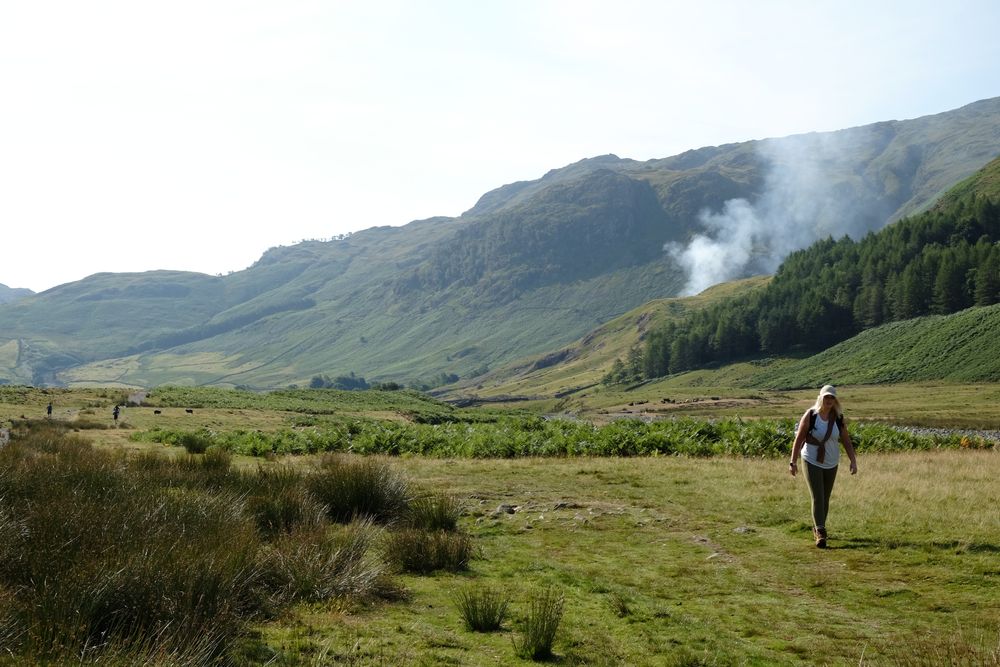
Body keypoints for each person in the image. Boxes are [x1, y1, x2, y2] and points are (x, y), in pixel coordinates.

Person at [789, 385, 858, 548]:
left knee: (825, 497)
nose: (829, 400)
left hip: (832, 461)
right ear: (820, 398)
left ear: (835, 400)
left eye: (832, 398)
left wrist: (853, 461)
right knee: (817, 496)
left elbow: (846, 440)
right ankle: (821, 532)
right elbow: (799, 439)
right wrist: (793, 461)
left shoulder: (839, 418)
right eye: (826, 397)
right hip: (810, 459)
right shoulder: (811, 415)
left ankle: (819, 526)